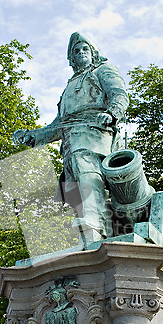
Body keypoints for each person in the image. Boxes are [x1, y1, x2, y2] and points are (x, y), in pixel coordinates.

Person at [13, 32, 129, 239]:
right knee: (74, 183)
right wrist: (33, 136)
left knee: (87, 169)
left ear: (93, 54)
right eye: (76, 51)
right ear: (71, 58)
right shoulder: (68, 87)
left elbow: (119, 94)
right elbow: (58, 125)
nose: (81, 53)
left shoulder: (103, 70)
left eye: (85, 49)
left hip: (94, 132)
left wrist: (112, 114)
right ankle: (90, 229)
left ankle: (95, 219)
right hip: (70, 140)